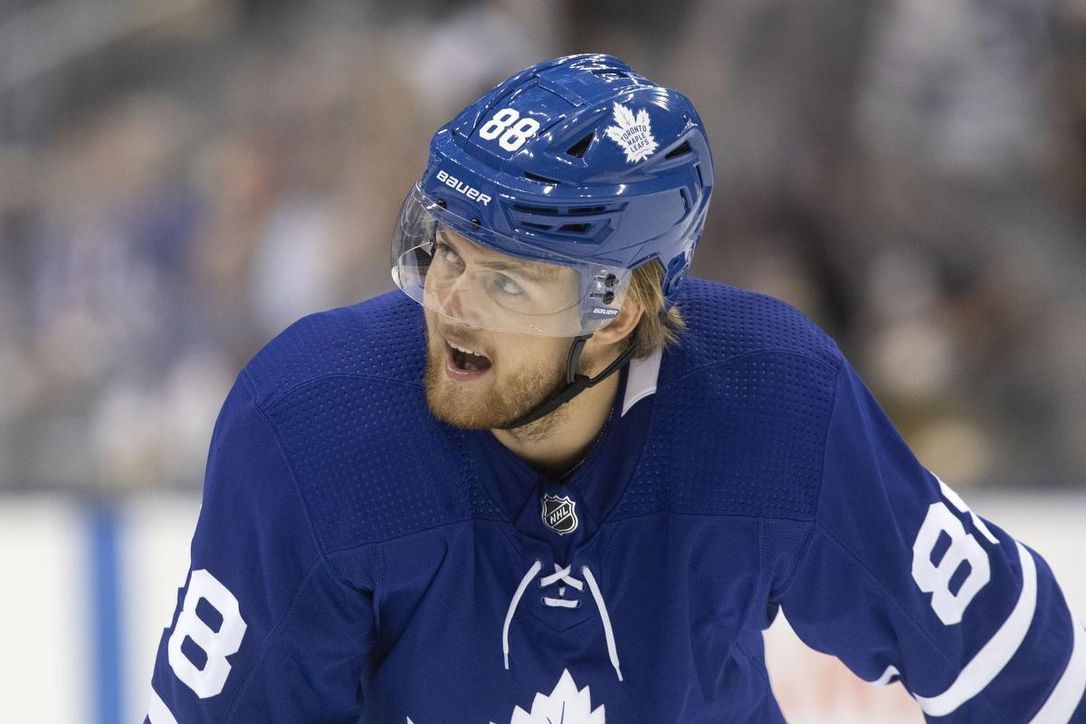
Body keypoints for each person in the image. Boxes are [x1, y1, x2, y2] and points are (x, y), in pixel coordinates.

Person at [146, 54, 1085, 723]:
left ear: (619, 311)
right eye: (445, 252)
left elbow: (1020, 675)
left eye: (508, 282)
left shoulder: (777, 404)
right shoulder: (310, 429)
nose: (448, 303)